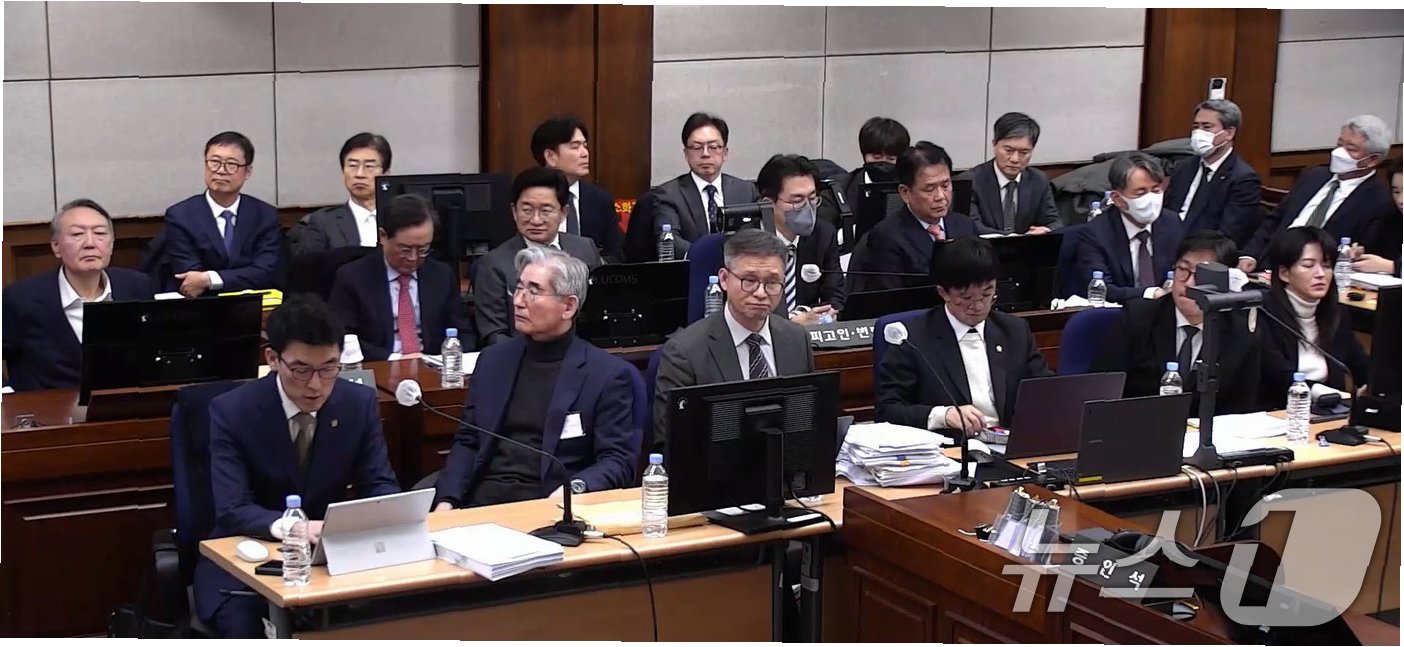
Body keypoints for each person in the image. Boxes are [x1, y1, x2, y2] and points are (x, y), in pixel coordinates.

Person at [194, 294, 400, 638]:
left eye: (329, 368)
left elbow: (380, 486)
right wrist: (294, 528)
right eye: (302, 370)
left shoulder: (357, 404)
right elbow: (232, 508)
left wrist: (377, 518)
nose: (316, 385)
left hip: (330, 561)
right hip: (248, 564)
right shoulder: (233, 411)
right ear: (273, 359)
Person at [433, 247, 640, 509]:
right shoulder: (493, 361)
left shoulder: (606, 375)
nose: (519, 301)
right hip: (482, 501)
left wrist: (573, 489)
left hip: (551, 505)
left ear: (568, 306)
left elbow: (617, 461)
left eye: (533, 291)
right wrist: (447, 500)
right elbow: (468, 441)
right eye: (518, 288)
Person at [652, 229, 815, 452]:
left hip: (786, 466)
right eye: (749, 280)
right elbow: (671, 443)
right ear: (724, 279)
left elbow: (807, 424)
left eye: (772, 282)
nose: (761, 293)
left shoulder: (797, 340)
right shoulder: (685, 352)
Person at [874, 237, 1053, 433]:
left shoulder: (1014, 330)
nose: (978, 306)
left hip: (1009, 441)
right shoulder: (912, 338)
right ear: (943, 292)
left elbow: (1046, 389)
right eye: (966, 297)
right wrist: (942, 416)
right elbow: (888, 411)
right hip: (950, 445)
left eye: (987, 294)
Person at [1090, 231, 1261, 414]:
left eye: (1202, 275)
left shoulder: (1241, 334)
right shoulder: (1138, 317)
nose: (1189, 283)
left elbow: (1243, 410)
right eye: (1183, 270)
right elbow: (1101, 392)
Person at [3, 199, 154, 391]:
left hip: (124, 403)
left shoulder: (137, 286)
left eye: (100, 233)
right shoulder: (22, 297)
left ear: (111, 244)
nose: (90, 243)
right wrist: (6, 395)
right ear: (56, 246)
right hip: (50, 408)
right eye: (77, 234)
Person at [1239, 115, 1395, 272]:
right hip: (1267, 265)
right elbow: (1275, 220)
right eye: (1339, 144)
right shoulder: (1313, 175)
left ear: (1372, 160)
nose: (1339, 152)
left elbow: (1362, 252)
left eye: (1351, 149)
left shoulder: (1380, 201)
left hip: (1314, 273)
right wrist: (1250, 255)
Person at [328, 193, 471, 361]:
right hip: (380, 365)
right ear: (383, 236)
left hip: (432, 364)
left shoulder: (441, 275)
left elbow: (463, 331)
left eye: (423, 249)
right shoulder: (353, 277)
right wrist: (395, 359)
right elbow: (343, 339)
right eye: (405, 249)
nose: (413, 258)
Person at [474, 167, 604, 347]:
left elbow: (601, 311)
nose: (535, 220)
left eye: (545, 211)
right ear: (514, 211)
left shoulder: (585, 249)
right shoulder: (494, 264)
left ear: (564, 213)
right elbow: (494, 333)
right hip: (523, 356)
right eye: (527, 210)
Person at [1258, 227, 1370, 410]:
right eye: (1308, 265)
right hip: (1278, 411)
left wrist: (1372, 385)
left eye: (1326, 266)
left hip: (1328, 412)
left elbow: (1359, 362)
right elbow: (1276, 376)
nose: (1320, 274)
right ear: (1284, 273)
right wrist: (1332, 395)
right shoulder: (1263, 312)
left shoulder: (1336, 313)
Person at [161, 131, 282, 297]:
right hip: (202, 305)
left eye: (231, 164)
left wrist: (210, 279)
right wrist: (237, 277)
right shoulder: (180, 215)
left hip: (253, 304)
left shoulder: (265, 215)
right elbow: (189, 278)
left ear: (247, 171)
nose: (220, 170)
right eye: (214, 162)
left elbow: (266, 271)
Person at [854, 142, 987, 292]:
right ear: (905, 192)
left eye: (945, 185)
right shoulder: (886, 237)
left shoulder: (965, 226)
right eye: (930, 189)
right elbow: (890, 298)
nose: (941, 196)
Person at [1074, 152, 1184, 304]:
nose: (1151, 199)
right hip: (1119, 313)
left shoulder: (1172, 222)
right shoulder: (1095, 233)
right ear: (1117, 199)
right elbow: (1103, 289)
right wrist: (1150, 294)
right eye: (1141, 193)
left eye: (1156, 190)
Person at [649, 112, 761, 257]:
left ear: (725, 153)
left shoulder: (746, 191)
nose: (706, 154)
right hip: (692, 267)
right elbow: (670, 240)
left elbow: (756, 236)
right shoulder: (668, 195)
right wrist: (706, 257)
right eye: (697, 147)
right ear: (686, 154)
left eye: (713, 147)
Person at [754, 154, 846, 325]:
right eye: (797, 200)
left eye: (812, 198)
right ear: (768, 203)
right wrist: (790, 322)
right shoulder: (746, 242)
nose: (807, 208)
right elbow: (743, 307)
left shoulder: (823, 234)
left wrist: (825, 313)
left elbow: (836, 294)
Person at [1162, 100, 1263, 247]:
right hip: (1167, 243)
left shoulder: (1243, 179)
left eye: (1207, 127)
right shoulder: (1184, 167)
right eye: (1196, 127)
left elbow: (1228, 235)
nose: (1198, 133)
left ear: (1229, 133)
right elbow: (1166, 212)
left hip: (1201, 250)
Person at [531, 116, 624, 262]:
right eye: (575, 147)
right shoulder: (526, 199)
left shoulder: (600, 200)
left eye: (585, 146)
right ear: (550, 156)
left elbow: (615, 255)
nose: (585, 153)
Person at [289, 132, 393, 256]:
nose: (359, 174)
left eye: (369, 166)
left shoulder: (402, 217)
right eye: (352, 165)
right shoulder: (323, 223)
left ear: (386, 174)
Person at [964, 112, 1062, 235]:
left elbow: (1054, 221)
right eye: (1009, 150)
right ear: (994, 144)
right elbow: (972, 226)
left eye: (1024, 152)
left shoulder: (1038, 180)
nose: (1015, 159)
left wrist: (1046, 230)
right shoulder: (971, 182)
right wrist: (1014, 238)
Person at [817, 116, 911, 230]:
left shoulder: (910, 188)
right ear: (864, 154)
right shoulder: (837, 188)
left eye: (891, 159)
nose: (883, 163)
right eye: (876, 157)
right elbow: (823, 232)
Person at [1351, 161, 1402, 276]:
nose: (1400, 200)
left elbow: (1386, 264)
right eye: (1396, 192)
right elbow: (1374, 248)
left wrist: (1391, 267)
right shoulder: (1391, 217)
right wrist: (1361, 252)